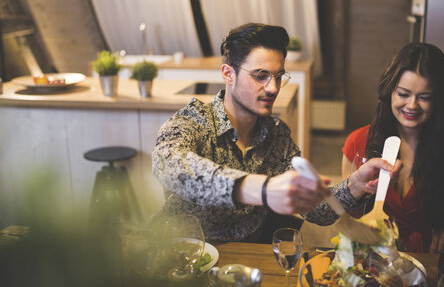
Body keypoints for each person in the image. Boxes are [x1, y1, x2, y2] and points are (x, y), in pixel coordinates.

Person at [152, 23, 399, 242]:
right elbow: (168, 166)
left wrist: (355, 184)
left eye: (278, 76)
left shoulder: (277, 135)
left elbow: (317, 211)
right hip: (185, 256)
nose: (273, 88)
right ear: (228, 74)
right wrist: (261, 189)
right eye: (260, 76)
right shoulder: (194, 121)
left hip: (248, 260)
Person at [341, 43, 444, 253]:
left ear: (439, 99)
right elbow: (347, 212)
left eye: (424, 97)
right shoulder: (357, 142)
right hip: (372, 254)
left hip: (427, 255)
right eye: (403, 94)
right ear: (389, 92)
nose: (412, 105)